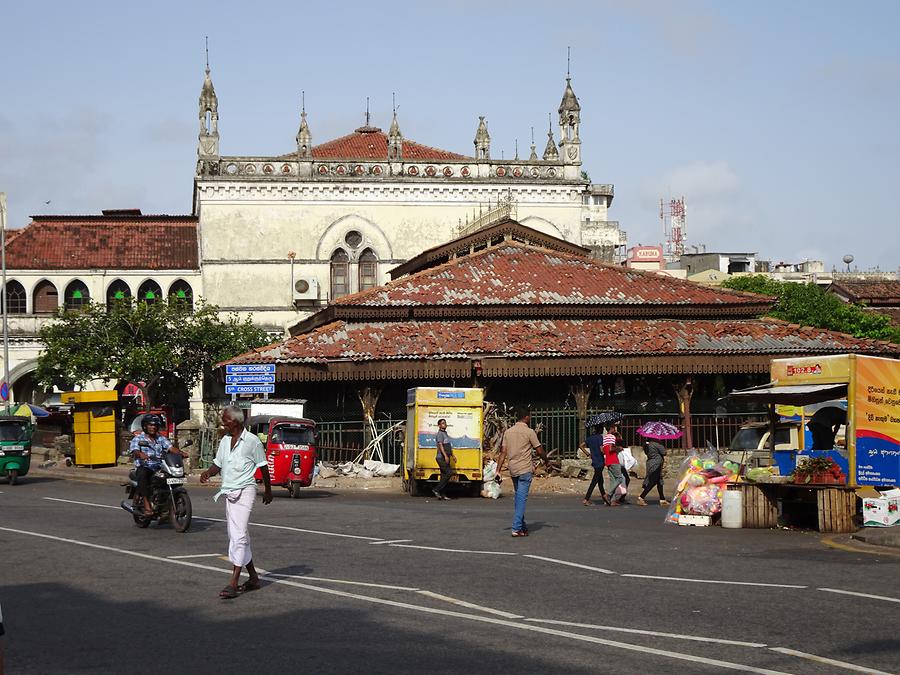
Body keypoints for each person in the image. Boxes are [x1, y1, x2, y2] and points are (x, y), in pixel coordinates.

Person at [200, 405, 273, 599]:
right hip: (229, 492)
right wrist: (208, 473)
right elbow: (218, 463)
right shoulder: (224, 441)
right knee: (237, 535)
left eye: (226, 419)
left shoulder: (252, 441)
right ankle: (254, 578)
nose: (223, 422)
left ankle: (233, 582)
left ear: (237, 421)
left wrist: (268, 490)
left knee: (239, 536)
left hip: (246, 491)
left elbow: (263, 466)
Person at [496, 405, 550, 537]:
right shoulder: (530, 432)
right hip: (525, 469)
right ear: (526, 417)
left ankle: (522, 527)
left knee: (519, 499)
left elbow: (503, 452)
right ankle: (516, 528)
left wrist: (498, 470)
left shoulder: (508, 432)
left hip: (513, 469)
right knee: (521, 499)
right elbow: (539, 450)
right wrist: (546, 460)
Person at [129, 414, 173, 514]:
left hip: (159, 467)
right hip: (145, 466)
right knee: (142, 473)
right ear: (145, 426)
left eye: (155, 425)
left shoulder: (160, 438)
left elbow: (170, 447)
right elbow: (135, 450)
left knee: (171, 476)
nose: (153, 427)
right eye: (150, 425)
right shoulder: (138, 438)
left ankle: (166, 503)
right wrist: (140, 454)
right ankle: (146, 503)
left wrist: (180, 452)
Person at [580, 423, 611, 506]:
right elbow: (602, 451)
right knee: (594, 481)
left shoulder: (590, 438)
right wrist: (607, 449)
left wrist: (588, 454)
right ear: (600, 430)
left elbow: (581, 446)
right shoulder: (600, 438)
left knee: (600, 480)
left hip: (594, 460)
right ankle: (586, 499)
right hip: (600, 461)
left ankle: (604, 497)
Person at [637, 439, 668, 506]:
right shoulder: (656, 444)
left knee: (659, 482)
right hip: (656, 464)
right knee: (653, 482)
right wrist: (662, 445)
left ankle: (662, 499)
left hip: (651, 463)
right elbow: (664, 452)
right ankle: (641, 497)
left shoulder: (648, 444)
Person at [604, 424, 626, 506]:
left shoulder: (605, 437)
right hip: (614, 460)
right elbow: (611, 449)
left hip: (608, 460)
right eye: (614, 428)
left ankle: (612, 501)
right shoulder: (612, 437)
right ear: (612, 428)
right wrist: (618, 448)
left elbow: (604, 450)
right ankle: (608, 494)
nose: (615, 429)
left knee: (613, 480)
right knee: (619, 478)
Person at [432, 418, 454, 500]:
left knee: (443, 476)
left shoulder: (445, 433)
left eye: (445, 423)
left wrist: (452, 455)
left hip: (446, 457)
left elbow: (448, 445)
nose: (445, 424)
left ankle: (443, 494)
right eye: (443, 423)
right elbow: (441, 446)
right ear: (439, 425)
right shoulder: (440, 434)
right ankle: (436, 489)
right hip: (441, 458)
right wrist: (445, 456)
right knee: (449, 473)